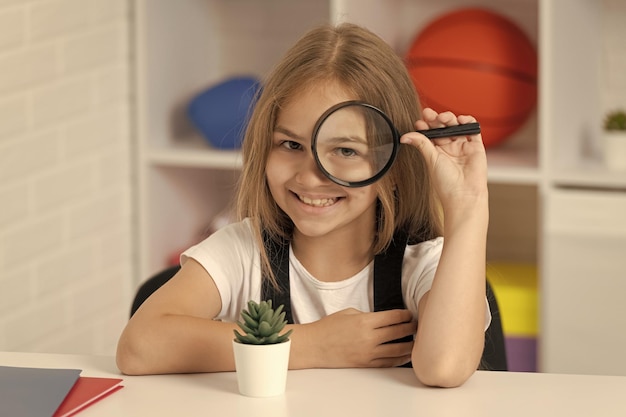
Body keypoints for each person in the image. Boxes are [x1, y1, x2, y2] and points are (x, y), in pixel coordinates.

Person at [116, 22, 490, 388]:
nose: (310, 177)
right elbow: (139, 347)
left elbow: (444, 367)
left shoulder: (423, 263)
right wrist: (312, 343)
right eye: (291, 145)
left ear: (391, 164)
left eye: (345, 150)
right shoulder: (244, 250)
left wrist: (467, 206)